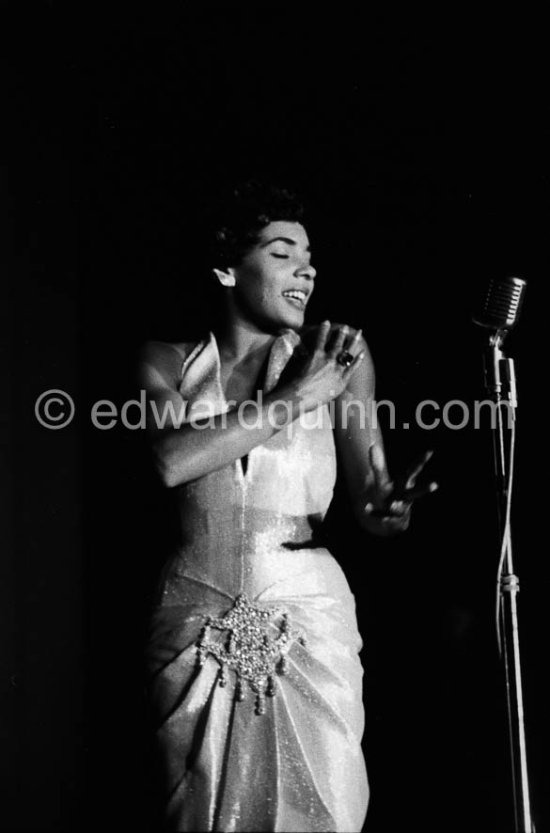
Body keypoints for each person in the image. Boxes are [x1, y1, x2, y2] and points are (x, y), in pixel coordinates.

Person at [138, 181, 437, 832]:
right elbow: (170, 460)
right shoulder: (165, 360)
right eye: (282, 251)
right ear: (226, 268)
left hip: (308, 615)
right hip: (193, 614)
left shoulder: (342, 357)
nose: (308, 267)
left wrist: (391, 508)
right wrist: (296, 396)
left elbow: (372, 498)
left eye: (309, 255)